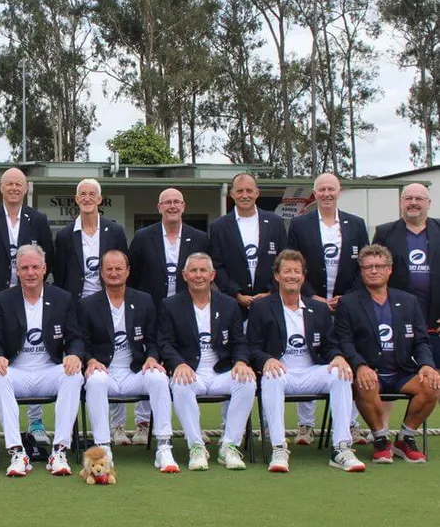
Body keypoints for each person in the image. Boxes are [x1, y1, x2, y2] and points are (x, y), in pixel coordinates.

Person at [246, 250, 365, 473]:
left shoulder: (318, 309)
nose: (292, 276)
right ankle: (279, 447)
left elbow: (330, 345)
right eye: (287, 271)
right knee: (271, 376)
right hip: (281, 373)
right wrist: (267, 359)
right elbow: (252, 347)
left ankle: (341, 447)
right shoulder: (261, 307)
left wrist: (338, 356)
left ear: (303, 276)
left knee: (341, 373)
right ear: (277, 276)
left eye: (296, 271)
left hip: (311, 372)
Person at [0, 167, 55, 443]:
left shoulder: (38, 220)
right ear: (1, 188)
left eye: (19, 184)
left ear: (26, 188)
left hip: (29, 298)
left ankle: (36, 423)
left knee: (33, 358)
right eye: (9, 184)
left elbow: (47, 256)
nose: (14, 188)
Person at [335, 244, 440, 463]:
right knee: (365, 382)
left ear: (389, 269)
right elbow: (344, 342)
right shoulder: (348, 303)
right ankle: (381, 439)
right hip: (370, 370)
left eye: (379, 266)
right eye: (368, 267)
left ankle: (405, 438)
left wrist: (426, 365)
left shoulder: (409, 301)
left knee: (432, 384)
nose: (374, 271)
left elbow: (421, 341)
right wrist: (360, 366)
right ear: (361, 271)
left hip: (401, 370)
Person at [286, 173, 370, 445]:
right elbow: (293, 265)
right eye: (321, 189)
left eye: (331, 189)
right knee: (308, 358)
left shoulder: (356, 224)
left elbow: (364, 266)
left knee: (350, 360)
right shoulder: (300, 224)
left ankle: (350, 424)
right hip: (312, 304)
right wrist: (312, 296)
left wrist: (346, 298)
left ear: (339, 191)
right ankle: (305, 426)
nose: (326, 194)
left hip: (347, 304)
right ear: (315, 193)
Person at [79, 250, 178, 472]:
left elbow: (155, 338)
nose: (114, 273)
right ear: (101, 273)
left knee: (159, 378)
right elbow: (81, 341)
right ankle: (103, 449)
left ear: (128, 271)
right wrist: (91, 360)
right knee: (94, 381)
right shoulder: (87, 304)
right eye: (109, 269)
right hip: (105, 371)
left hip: (135, 371)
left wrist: (152, 357)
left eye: (118, 268)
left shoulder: (144, 300)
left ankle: (164, 446)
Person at [0, 244, 85, 478]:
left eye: (35, 267)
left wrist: (74, 354)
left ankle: (59, 451)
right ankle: (17, 452)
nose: (30, 272)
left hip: (48, 370)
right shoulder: (2, 299)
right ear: (17, 271)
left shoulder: (62, 298)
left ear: (44, 269)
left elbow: (75, 337)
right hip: (17, 371)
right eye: (25, 268)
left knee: (73, 375)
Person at [158, 253, 256, 471]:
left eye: (203, 271)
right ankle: (196, 446)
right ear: (184, 275)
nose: (198, 275)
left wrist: (241, 361)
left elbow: (240, 342)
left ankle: (229, 445)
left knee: (248, 381)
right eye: (193, 271)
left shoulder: (229, 305)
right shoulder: (170, 305)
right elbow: (165, 343)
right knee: (180, 383)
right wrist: (178, 364)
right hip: (190, 371)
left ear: (213, 275)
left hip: (221, 371)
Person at [127, 187, 208, 445]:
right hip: (150, 310)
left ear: (184, 206)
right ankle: (142, 424)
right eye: (167, 202)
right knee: (147, 362)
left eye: (177, 202)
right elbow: (135, 276)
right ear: (158, 207)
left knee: (186, 363)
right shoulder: (143, 237)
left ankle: (194, 425)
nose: (172, 206)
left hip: (185, 311)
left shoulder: (200, 238)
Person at [54, 178, 132, 445]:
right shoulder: (65, 235)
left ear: (100, 199)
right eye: (82, 194)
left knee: (114, 358)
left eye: (92, 194)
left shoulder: (114, 231)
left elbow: (119, 266)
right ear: (76, 200)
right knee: (77, 363)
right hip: (77, 307)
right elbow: (62, 274)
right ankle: (73, 429)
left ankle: (118, 426)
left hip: (108, 302)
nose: (87, 198)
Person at [372, 184, 440, 371]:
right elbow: (372, 275)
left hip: (434, 321)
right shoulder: (385, 232)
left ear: (429, 203)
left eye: (419, 199)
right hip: (396, 320)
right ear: (401, 202)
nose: (413, 203)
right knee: (388, 378)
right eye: (408, 198)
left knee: (436, 381)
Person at [209, 173, 287, 313]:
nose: (245, 195)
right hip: (234, 306)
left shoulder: (276, 223)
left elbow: (284, 261)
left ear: (257, 193)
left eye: (249, 191)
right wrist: (237, 294)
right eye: (239, 191)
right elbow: (217, 266)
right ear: (232, 194)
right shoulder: (218, 227)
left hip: (271, 303)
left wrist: (270, 291)